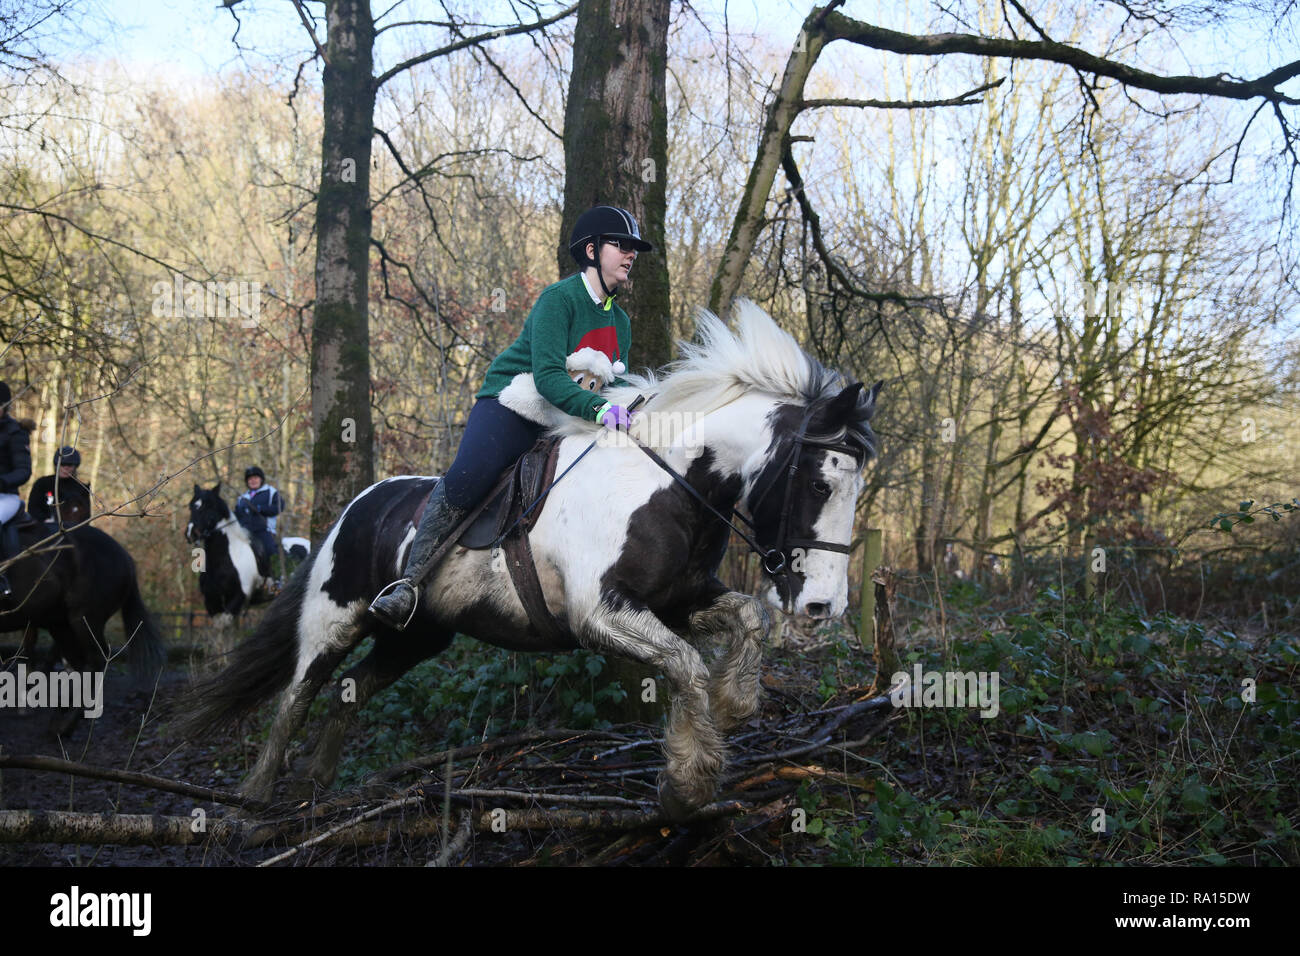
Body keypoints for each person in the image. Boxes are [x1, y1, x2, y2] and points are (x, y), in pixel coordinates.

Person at [369, 204, 652, 629]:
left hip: (566, 421)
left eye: (634, 249)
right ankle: (408, 584)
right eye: (622, 245)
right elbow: (550, 378)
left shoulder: (622, 323)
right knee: (470, 477)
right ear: (592, 250)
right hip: (515, 405)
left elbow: (615, 388)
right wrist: (600, 410)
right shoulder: (558, 299)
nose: (631, 255)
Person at [0, 382, 33, 597]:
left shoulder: (16, 433)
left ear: (5, 406)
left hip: (6, 497)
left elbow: (23, 471)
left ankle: (2, 578)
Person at [235, 465, 285, 579]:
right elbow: (237, 515)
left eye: (255, 478)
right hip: (244, 532)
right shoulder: (242, 498)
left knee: (270, 551)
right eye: (250, 479)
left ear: (261, 479)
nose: (253, 480)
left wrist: (260, 508)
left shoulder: (270, 492)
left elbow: (280, 506)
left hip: (264, 531)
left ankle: (277, 579)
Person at [28, 446, 92, 527]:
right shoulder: (43, 484)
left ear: (75, 466)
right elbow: (33, 508)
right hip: (45, 528)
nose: (65, 468)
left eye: (69, 465)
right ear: (56, 465)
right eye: (62, 464)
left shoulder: (82, 488)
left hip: (73, 530)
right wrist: (44, 520)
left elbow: (86, 516)